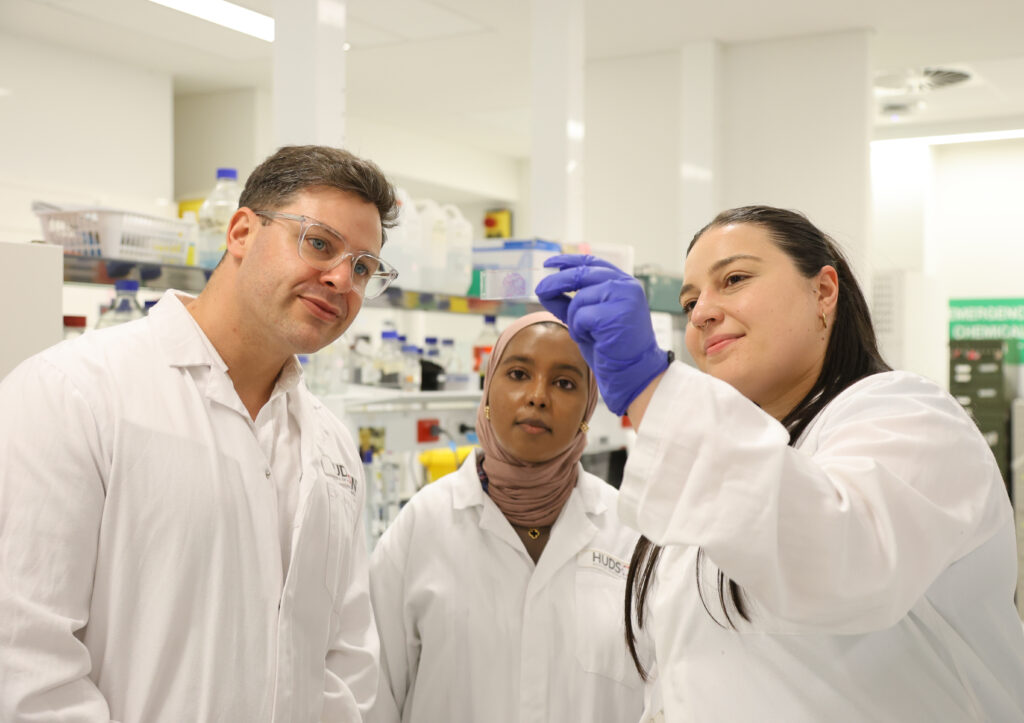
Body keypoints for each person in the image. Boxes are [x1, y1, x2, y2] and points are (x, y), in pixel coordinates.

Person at [535, 205, 1024, 721]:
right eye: (691, 300)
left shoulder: (910, 417)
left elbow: (842, 558)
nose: (701, 312)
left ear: (824, 292)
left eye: (735, 279)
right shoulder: (716, 473)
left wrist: (651, 390)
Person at [0, 145, 400, 722]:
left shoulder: (331, 445)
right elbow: (25, 660)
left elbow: (343, 659)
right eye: (319, 242)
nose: (341, 278)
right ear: (241, 231)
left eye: (363, 266)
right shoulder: (74, 394)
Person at [366, 311, 647, 723]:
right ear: (488, 392)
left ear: (588, 409)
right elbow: (375, 695)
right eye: (518, 374)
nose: (537, 396)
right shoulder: (422, 527)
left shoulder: (630, 535)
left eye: (565, 383)